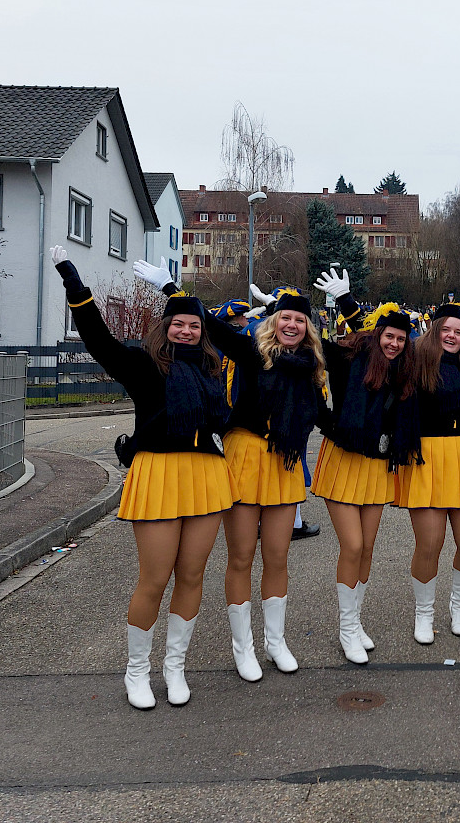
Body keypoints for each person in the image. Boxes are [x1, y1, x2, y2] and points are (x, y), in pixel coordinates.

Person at [51, 246, 235, 709]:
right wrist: (75, 286)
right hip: (158, 473)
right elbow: (100, 342)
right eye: (178, 324)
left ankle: (175, 668)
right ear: (165, 327)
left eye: (194, 325)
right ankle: (137, 671)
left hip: (207, 475)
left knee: (191, 575)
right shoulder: (142, 363)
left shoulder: (212, 369)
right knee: (154, 579)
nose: (186, 331)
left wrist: (175, 289)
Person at [134, 259, 327, 682]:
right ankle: (244, 648)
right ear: (273, 322)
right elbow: (211, 325)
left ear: (308, 328)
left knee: (277, 556)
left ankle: (276, 641)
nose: (292, 325)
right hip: (245, 457)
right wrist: (171, 288)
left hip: (283, 463)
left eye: (299, 320)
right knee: (241, 556)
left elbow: (326, 418)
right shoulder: (251, 352)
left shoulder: (311, 369)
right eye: (285, 317)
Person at [309, 279, 420, 663]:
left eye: (401, 339)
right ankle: (346, 629)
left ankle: (355, 622)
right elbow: (329, 347)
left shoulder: (403, 372)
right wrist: (345, 300)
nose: (394, 344)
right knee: (353, 546)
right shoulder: (351, 360)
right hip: (343, 461)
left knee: (367, 548)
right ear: (377, 335)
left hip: (376, 464)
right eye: (389, 337)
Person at [397, 302, 460, 643]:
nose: (452, 336)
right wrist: (349, 306)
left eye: (458, 331)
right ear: (434, 331)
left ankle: (459, 606)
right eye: (446, 330)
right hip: (427, 457)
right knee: (429, 544)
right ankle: (424, 613)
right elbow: (379, 344)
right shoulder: (414, 361)